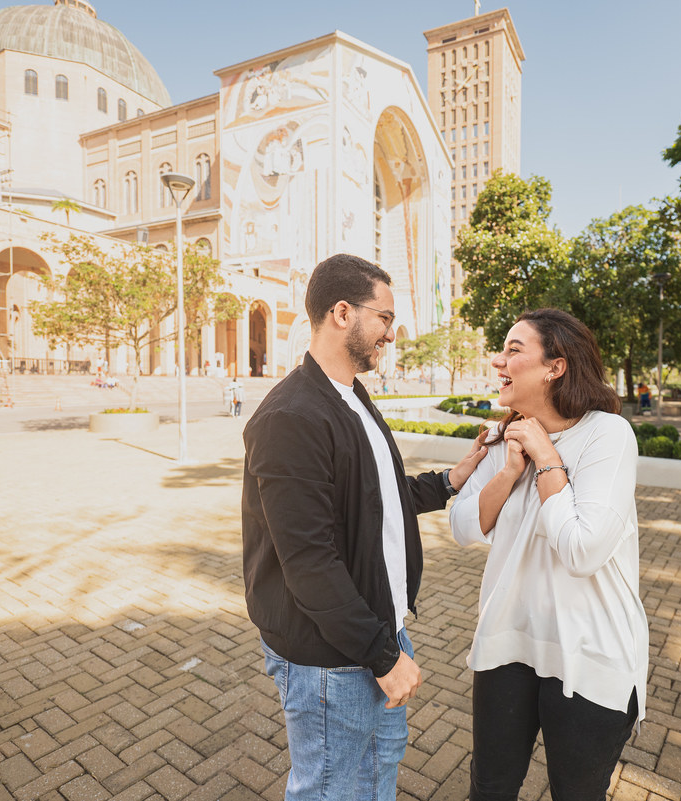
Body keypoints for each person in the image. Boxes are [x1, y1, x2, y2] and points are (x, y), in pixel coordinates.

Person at [242, 254, 488, 801]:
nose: (393, 334)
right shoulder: (291, 417)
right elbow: (308, 561)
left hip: (377, 630)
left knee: (376, 776)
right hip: (333, 653)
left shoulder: (351, 394)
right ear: (342, 312)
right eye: (385, 318)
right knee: (330, 789)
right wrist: (381, 656)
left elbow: (376, 497)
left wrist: (452, 479)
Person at [449, 308, 648, 801]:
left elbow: (582, 550)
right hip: (507, 644)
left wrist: (546, 458)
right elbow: (463, 527)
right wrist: (508, 470)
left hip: (590, 655)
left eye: (514, 350)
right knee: (489, 789)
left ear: (555, 367)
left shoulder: (608, 435)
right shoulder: (502, 438)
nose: (499, 360)